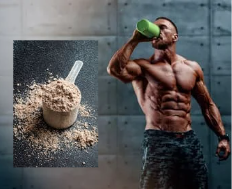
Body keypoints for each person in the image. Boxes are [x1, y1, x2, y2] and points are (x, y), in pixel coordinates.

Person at [107, 17, 231, 189]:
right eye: (154, 28)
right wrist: (135, 39)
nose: (157, 31)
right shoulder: (143, 67)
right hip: (158, 139)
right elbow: (115, 69)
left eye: (163, 28)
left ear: (175, 37)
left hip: (188, 139)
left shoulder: (191, 68)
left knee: (198, 185)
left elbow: (207, 105)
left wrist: (222, 137)